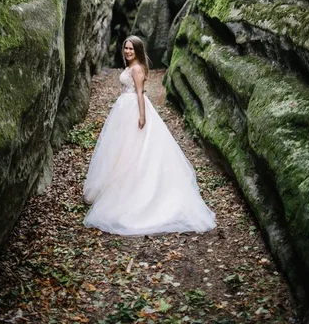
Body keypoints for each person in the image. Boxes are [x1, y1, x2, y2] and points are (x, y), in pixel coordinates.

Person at [83, 35, 216, 236]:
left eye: (131, 49)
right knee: (121, 150)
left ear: (137, 50)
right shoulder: (130, 67)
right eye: (125, 48)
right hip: (123, 110)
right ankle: (114, 188)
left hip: (134, 110)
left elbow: (140, 93)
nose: (127, 51)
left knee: (134, 151)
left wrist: (142, 116)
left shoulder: (136, 69)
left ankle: (132, 194)